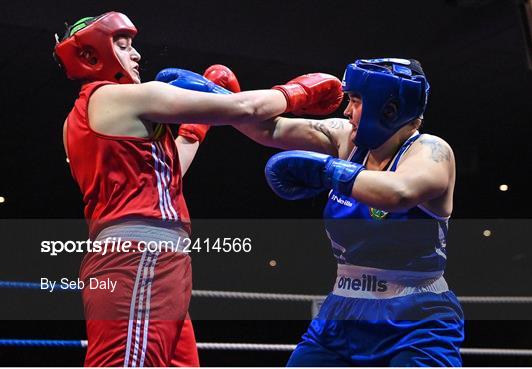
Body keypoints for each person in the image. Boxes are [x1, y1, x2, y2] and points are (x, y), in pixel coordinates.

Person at [53, 11, 343, 367]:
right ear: (93, 55)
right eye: (124, 46)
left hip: (151, 257)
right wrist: (299, 92)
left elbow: (164, 172)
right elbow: (246, 107)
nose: (137, 55)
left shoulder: (77, 121)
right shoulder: (121, 98)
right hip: (140, 257)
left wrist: (193, 131)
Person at [231, 58, 464, 366]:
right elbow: (269, 130)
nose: (346, 111)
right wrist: (221, 99)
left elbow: (400, 192)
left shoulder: (432, 151)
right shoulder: (347, 140)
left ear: (388, 108)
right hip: (342, 312)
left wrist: (328, 172)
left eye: (355, 101)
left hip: (416, 320)